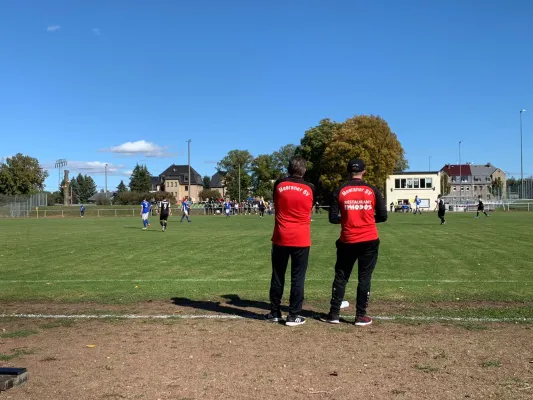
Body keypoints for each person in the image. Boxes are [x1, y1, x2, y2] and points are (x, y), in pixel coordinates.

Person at [320, 158, 387, 327]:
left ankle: (334, 314)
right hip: (369, 239)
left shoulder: (340, 190)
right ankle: (360, 316)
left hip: (348, 239)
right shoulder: (372, 190)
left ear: (348, 171)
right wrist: (367, 219)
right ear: (363, 172)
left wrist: (349, 219)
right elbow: (383, 215)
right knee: (364, 278)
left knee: (341, 276)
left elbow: (333, 218)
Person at [266, 156, 314, 327]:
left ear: (288, 169)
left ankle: (274, 312)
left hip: (281, 236)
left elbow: (276, 202)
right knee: (298, 277)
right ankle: (293, 315)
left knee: (278, 275)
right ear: (304, 170)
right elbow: (310, 208)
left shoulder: (279, 185)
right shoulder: (310, 188)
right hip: (301, 238)